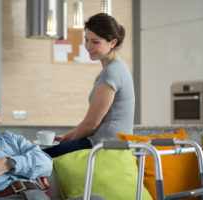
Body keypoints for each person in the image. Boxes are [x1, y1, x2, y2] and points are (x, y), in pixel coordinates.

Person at [44, 13, 135, 158]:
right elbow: (90, 124)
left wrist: (69, 139)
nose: (88, 46)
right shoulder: (116, 68)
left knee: (38, 158)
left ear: (112, 42)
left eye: (95, 42)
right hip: (106, 144)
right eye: (86, 39)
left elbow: (91, 125)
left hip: (103, 147)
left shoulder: (111, 73)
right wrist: (67, 136)